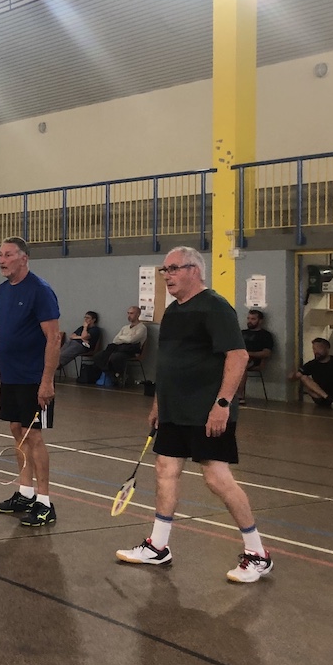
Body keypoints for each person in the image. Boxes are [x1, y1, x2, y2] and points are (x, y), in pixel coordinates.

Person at [116, 246, 273, 583]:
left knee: (217, 478)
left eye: (173, 269)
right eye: (164, 270)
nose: (167, 275)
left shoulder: (215, 306)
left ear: (195, 270)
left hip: (207, 410)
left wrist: (223, 404)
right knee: (165, 469)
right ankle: (158, 546)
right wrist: (158, 403)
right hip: (174, 408)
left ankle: (258, 553)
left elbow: (238, 356)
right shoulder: (173, 311)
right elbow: (169, 362)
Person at [0, 238, 61, 527]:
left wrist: (47, 381)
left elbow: (54, 338)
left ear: (23, 258)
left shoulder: (40, 290)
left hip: (33, 377)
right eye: (0, 255)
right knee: (17, 430)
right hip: (11, 376)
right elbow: (1, 335)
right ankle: (25, 494)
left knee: (34, 436)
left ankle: (45, 503)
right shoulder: (3, 290)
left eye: (8, 255)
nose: (2, 260)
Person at [94, 305, 147, 381]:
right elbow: (115, 340)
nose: (129, 315)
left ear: (138, 314)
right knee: (98, 356)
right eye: (128, 313)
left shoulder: (142, 328)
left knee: (115, 357)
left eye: (131, 313)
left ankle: (120, 375)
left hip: (131, 350)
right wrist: (126, 338)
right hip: (119, 348)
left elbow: (131, 340)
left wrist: (122, 338)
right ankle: (113, 374)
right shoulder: (125, 328)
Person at [236, 309, 274, 404]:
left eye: (253, 319)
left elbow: (267, 353)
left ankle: (239, 395)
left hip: (254, 360)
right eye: (248, 318)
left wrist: (248, 354)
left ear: (260, 321)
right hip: (238, 357)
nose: (250, 321)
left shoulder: (265, 335)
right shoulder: (241, 333)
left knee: (242, 364)